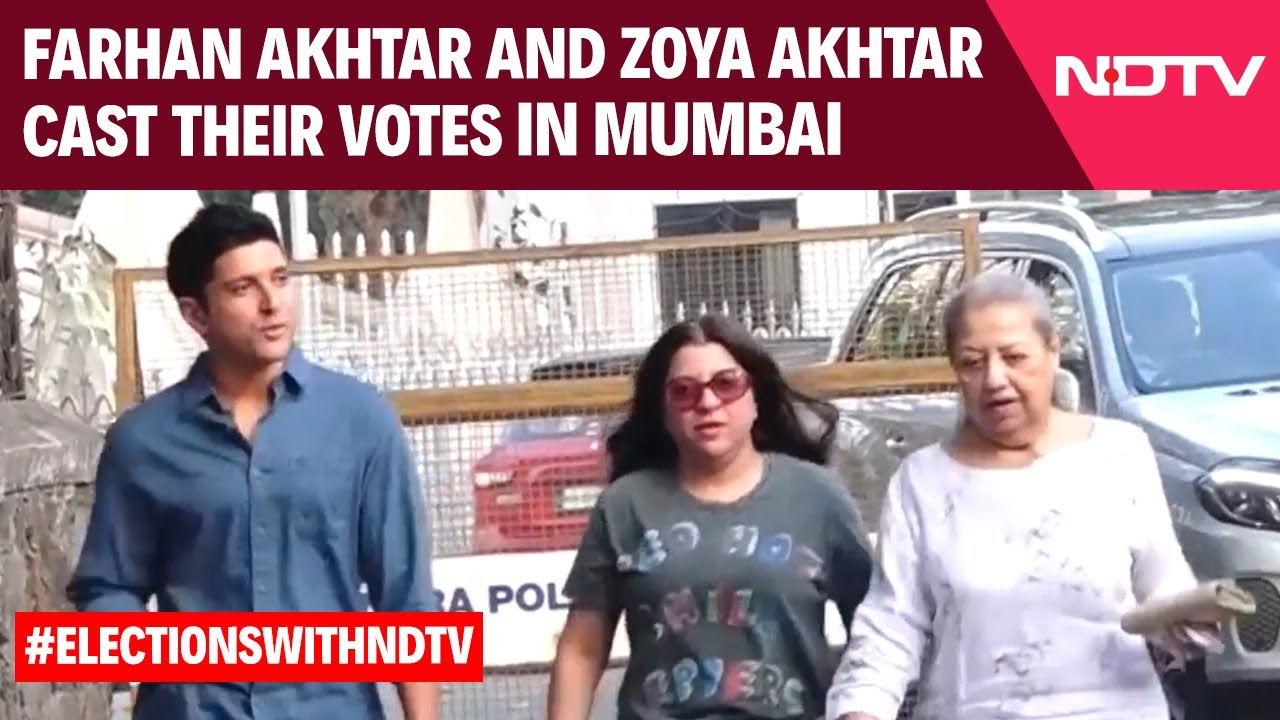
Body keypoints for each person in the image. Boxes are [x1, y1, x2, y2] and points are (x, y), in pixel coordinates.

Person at [66, 203, 441, 720]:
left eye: (280, 279)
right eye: (243, 288)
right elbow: (108, 587)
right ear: (196, 314)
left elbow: (407, 600)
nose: (273, 304)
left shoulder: (362, 420)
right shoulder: (142, 442)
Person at [826, 271, 1218, 720]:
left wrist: (1186, 613)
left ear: (1053, 354)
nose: (995, 378)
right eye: (973, 362)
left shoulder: (1118, 452)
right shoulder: (923, 481)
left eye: (1014, 357)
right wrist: (861, 709)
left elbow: (1161, 575)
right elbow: (891, 623)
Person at [548, 314, 875, 720]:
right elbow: (581, 650)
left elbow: (876, 633)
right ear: (663, 410)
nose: (707, 402)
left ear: (756, 396)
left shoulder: (819, 497)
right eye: (684, 391)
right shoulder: (624, 506)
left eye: (726, 384)